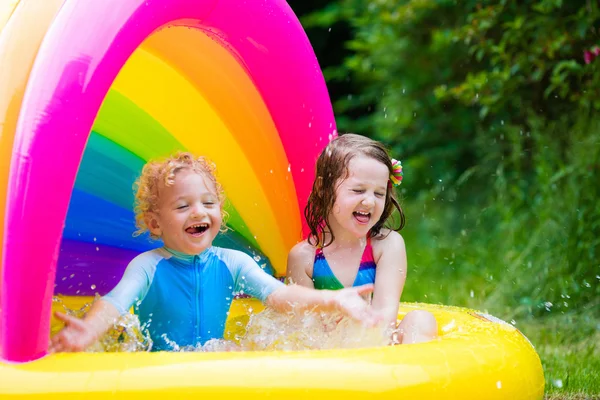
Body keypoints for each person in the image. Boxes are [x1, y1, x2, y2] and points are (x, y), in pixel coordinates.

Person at [50, 151, 380, 352]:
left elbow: (280, 296)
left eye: (208, 203)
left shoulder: (233, 262)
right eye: (183, 205)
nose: (199, 212)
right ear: (155, 222)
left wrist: (334, 299)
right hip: (160, 373)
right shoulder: (147, 266)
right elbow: (116, 303)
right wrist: (90, 329)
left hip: (211, 363)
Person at [286, 133, 438, 344]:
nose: (369, 201)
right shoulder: (304, 258)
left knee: (421, 320)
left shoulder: (386, 245)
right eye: (358, 190)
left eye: (379, 193)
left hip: (376, 350)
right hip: (328, 355)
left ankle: (413, 377)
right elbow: (301, 331)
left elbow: (385, 319)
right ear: (323, 188)